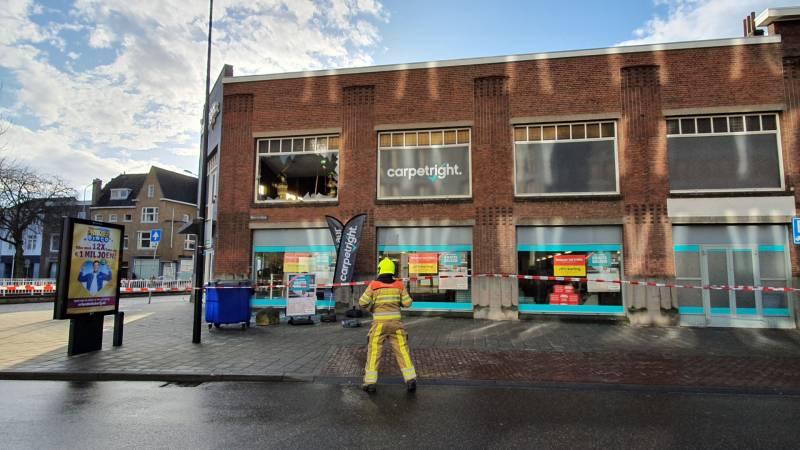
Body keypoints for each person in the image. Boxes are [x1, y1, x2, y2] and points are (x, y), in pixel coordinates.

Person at [358, 257, 417, 393]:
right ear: (392, 270)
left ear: (380, 270)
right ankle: (410, 379)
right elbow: (408, 303)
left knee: (374, 352)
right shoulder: (399, 285)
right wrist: (398, 302)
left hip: (379, 325)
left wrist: (372, 307)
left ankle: (370, 383)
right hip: (396, 325)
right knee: (402, 351)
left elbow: (362, 302)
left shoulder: (374, 285)